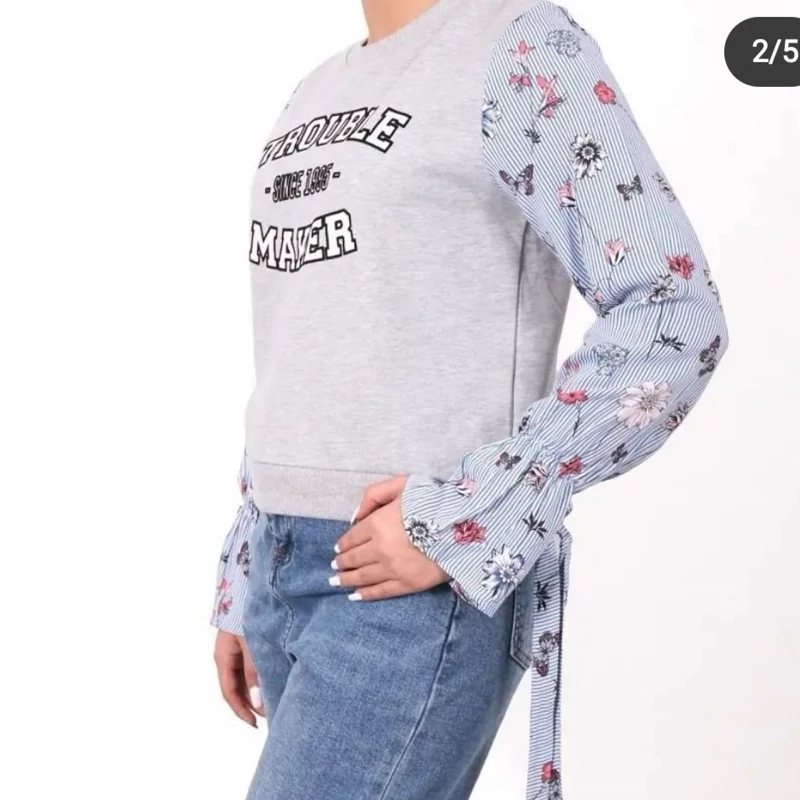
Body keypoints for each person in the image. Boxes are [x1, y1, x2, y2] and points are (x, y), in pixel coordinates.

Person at [210, 0, 728, 798]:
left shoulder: (521, 46)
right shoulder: (314, 90)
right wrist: (245, 573)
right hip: (285, 570)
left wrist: (473, 512)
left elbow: (673, 311)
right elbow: (302, 339)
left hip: (410, 582)